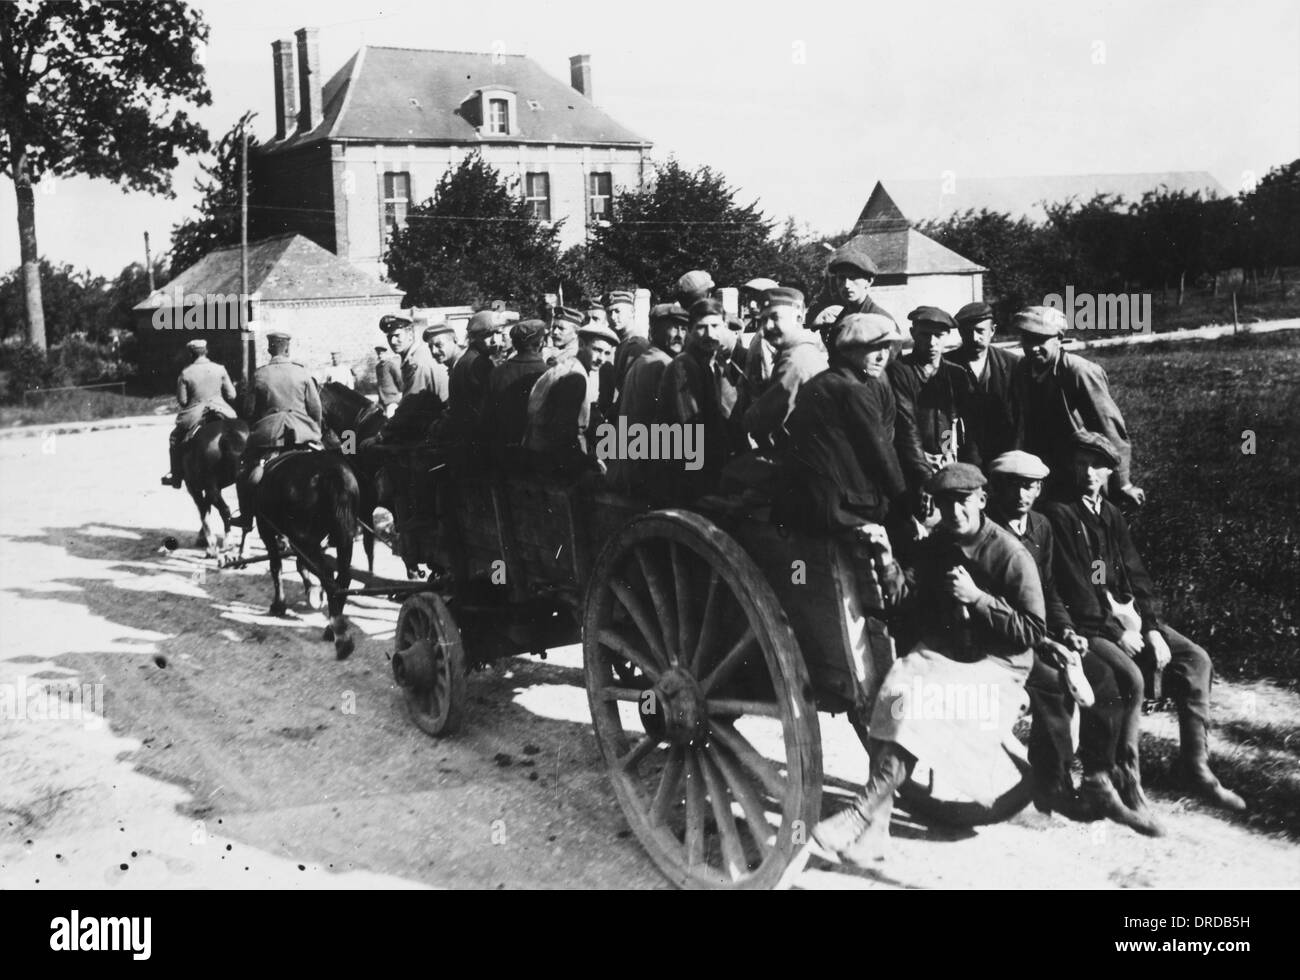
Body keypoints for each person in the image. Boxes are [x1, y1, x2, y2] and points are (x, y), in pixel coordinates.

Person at [813, 463, 1045, 865]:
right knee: (892, 696)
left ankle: (859, 814)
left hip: (999, 664)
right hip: (950, 654)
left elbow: (1033, 630)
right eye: (945, 503)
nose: (954, 512)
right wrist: (887, 557)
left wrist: (978, 598)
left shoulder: (1010, 555)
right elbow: (905, 598)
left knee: (918, 709)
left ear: (982, 500)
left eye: (963, 502)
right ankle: (876, 832)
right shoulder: (938, 545)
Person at [1042, 431, 1246, 813]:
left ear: (1110, 472)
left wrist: (1151, 627)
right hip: (1089, 624)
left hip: (1125, 616)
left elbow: (1135, 574)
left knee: (1196, 660)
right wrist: (1117, 632)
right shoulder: (1062, 514)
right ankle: (1123, 774)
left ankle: (1194, 766)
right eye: (1082, 463)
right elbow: (1076, 587)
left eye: (1098, 465)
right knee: (1128, 677)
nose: (1089, 472)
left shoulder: (1110, 515)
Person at [985, 450, 1163, 835]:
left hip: (1041, 630)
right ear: (998, 488)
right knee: (1055, 685)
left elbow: (1050, 590)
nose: (1023, 495)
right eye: (1014, 486)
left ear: (1039, 489)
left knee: (1105, 679)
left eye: (1031, 487)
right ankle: (1047, 790)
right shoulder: (989, 529)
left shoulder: (1040, 526)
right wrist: (1044, 639)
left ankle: (1098, 778)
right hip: (1003, 635)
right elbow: (993, 599)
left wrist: (1065, 630)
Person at [770, 313, 906, 532]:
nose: (882, 356)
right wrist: (906, 505)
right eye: (873, 348)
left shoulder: (822, 381)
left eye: (886, 347)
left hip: (809, 501)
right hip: (842, 508)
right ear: (850, 351)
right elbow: (882, 454)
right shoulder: (853, 390)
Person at [1011, 306, 1144, 509]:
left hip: (1080, 465)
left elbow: (1109, 426)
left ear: (1059, 339)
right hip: (1043, 464)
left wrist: (1123, 483)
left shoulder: (1079, 372)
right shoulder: (1023, 369)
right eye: (1027, 340)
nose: (1033, 348)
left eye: (1041, 340)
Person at [887, 306, 978, 503]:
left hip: (949, 459)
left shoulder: (956, 374)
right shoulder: (900, 372)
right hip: (912, 465)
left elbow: (969, 426)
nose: (931, 342)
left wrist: (971, 469)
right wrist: (925, 476)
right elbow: (907, 427)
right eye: (925, 335)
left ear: (947, 336)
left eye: (938, 335)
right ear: (913, 333)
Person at [605, 303, 688, 494]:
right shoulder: (663, 365)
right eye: (672, 328)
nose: (679, 335)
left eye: (683, 329)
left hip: (626, 470)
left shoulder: (646, 358)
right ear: (655, 332)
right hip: (642, 477)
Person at [656, 297, 731, 501]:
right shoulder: (684, 366)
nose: (710, 334)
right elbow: (690, 432)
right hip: (688, 478)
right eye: (701, 327)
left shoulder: (713, 363)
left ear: (724, 326)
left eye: (715, 326)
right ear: (689, 330)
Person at [524, 321, 618, 479]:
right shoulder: (575, 377)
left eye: (606, 353)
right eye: (597, 350)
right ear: (581, 344)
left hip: (539, 454)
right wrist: (589, 463)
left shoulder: (568, 367)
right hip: (550, 463)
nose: (601, 359)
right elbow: (563, 435)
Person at [741, 287, 827, 453]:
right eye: (763, 320)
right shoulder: (804, 351)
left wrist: (744, 419)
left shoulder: (795, 360)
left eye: (775, 317)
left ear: (798, 318)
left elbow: (763, 416)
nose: (767, 326)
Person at [238, 329, 324, 496]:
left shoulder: (259, 374)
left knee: (246, 472)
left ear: (269, 349)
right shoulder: (302, 372)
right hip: (303, 432)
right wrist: (315, 430)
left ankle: (247, 510)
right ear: (287, 349)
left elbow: (248, 410)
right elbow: (315, 408)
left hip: (269, 435)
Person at [948, 302, 1019, 464]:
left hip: (1004, 450)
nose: (974, 338)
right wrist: (947, 453)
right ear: (960, 332)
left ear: (992, 330)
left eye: (980, 331)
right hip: (964, 452)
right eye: (967, 332)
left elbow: (1019, 416)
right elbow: (943, 420)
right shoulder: (946, 365)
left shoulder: (1012, 364)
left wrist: (1016, 452)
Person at [161, 338, 237, 488]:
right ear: (206, 351)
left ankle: (175, 475)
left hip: (195, 414)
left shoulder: (186, 373)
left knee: (174, 438)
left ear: (191, 354)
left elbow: (182, 401)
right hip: (222, 410)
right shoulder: (220, 369)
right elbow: (232, 395)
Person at [480, 318, 550, 471]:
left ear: (515, 344)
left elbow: (486, 416)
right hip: (535, 456)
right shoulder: (548, 374)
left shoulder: (497, 372)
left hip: (502, 454)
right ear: (541, 343)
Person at [817, 241, 895, 349]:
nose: (846, 285)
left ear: (869, 281)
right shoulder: (839, 318)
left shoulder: (881, 320)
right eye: (841, 278)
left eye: (853, 277)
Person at [383, 314, 440, 398]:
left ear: (410, 333)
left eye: (397, 335)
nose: (392, 341)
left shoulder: (415, 362)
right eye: (389, 337)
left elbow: (411, 401)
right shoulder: (415, 354)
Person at [374, 344, 402, 419]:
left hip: (391, 399)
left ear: (386, 354)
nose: (380, 356)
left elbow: (399, 379)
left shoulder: (391, 365)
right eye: (378, 354)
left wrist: (400, 392)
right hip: (381, 400)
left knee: (390, 419)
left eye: (381, 354)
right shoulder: (378, 367)